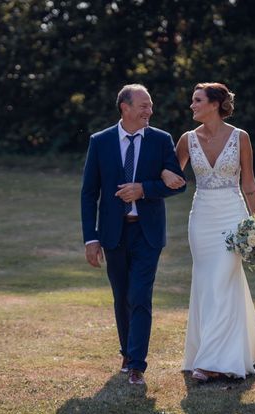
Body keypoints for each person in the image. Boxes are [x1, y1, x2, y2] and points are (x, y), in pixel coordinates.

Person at [81, 84, 186, 385]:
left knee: (140, 295)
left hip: (147, 233)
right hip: (113, 233)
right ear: (124, 107)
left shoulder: (161, 140)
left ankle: (137, 364)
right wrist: (91, 238)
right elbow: (89, 194)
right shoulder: (100, 142)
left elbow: (180, 184)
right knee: (121, 296)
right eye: (143, 106)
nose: (149, 111)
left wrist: (145, 188)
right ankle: (127, 351)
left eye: (150, 105)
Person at [161, 82, 255, 382]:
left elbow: (249, 183)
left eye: (197, 100)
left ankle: (211, 362)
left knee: (222, 280)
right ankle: (219, 350)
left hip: (233, 216)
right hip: (202, 219)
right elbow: (172, 174)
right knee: (208, 283)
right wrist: (163, 173)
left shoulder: (240, 137)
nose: (192, 105)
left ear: (215, 103)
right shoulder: (187, 139)